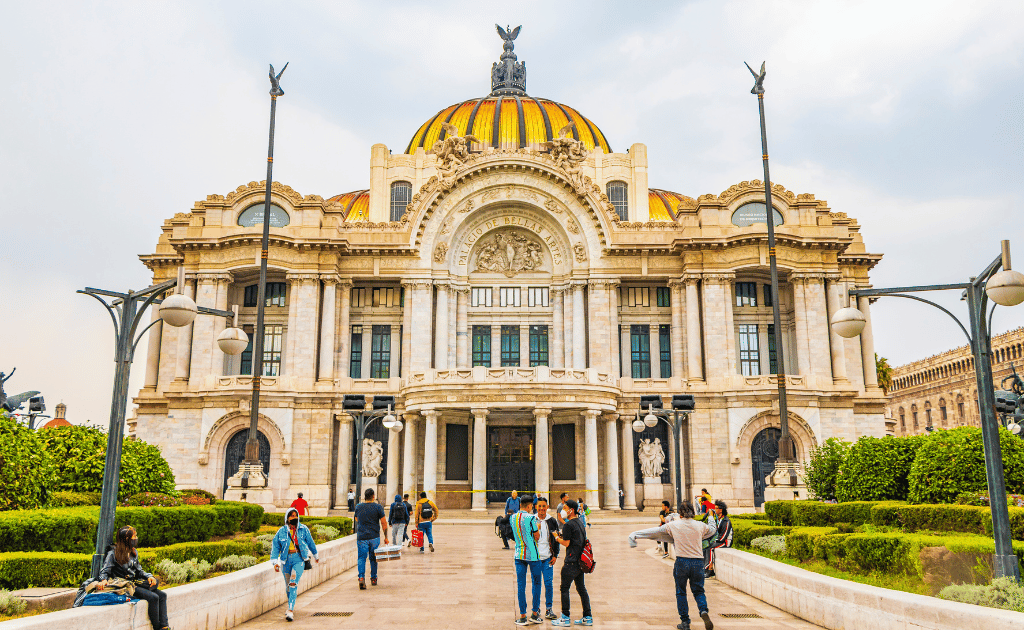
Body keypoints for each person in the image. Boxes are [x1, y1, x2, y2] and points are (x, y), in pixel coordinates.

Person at [627, 502, 717, 630]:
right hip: (697, 562)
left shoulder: (673, 525)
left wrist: (635, 534)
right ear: (693, 513)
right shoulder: (700, 526)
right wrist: (711, 517)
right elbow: (712, 530)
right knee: (698, 591)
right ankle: (703, 611)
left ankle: (685, 622)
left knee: (681, 592)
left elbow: (655, 531)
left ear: (680, 513)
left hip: (682, 562)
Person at [96, 526, 169, 630]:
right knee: (154, 597)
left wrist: (149, 576)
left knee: (162, 595)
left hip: (134, 583)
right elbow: (105, 570)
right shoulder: (113, 553)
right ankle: (157, 628)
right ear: (126, 539)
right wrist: (103, 580)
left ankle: (165, 627)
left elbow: (139, 570)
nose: (136, 538)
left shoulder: (133, 552)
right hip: (124, 586)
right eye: (134, 536)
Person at [270, 507, 320, 621]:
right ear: (287, 518)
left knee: (293, 583)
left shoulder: (303, 529)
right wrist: (274, 562)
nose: (294, 517)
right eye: (291, 515)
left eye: (295, 515)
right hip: (285, 560)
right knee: (288, 586)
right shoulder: (281, 531)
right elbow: (275, 546)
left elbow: (310, 542)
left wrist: (316, 555)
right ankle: (290, 604)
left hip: (299, 559)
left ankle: (290, 610)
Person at [551, 499, 592, 627]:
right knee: (581, 589)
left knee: (564, 588)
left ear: (571, 510)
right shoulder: (580, 523)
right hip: (580, 562)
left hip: (571, 562)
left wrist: (556, 538)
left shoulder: (568, 525)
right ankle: (587, 616)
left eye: (565, 508)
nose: (562, 510)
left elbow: (567, 543)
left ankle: (565, 617)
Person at [510, 494, 542, 625]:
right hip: (533, 555)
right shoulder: (531, 518)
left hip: (519, 555)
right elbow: (537, 536)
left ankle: (522, 615)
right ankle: (534, 613)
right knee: (536, 583)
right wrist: (538, 528)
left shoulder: (513, 517)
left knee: (521, 585)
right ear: (529, 506)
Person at [353, 487, 388, 589]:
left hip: (362, 536)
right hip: (374, 537)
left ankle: (361, 578)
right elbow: (383, 522)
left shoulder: (359, 507)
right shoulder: (378, 507)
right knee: (373, 558)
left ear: (364, 497)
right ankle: (373, 578)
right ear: (373, 496)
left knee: (361, 558)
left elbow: (356, 518)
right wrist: (386, 537)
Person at [535, 497, 560, 620]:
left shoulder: (552, 521)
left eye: (544, 506)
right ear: (536, 507)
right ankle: (536, 609)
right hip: (536, 559)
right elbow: (528, 539)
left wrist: (555, 555)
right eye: (539, 506)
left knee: (548, 584)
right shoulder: (532, 520)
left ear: (547, 506)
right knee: (536, 584)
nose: (541, 508)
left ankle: (549, 609)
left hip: (548, 558)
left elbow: (556, 539)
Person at [705, 500, 733, 578]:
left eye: (716, 508)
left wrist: (716, 541)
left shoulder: (726, 521)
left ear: (721, 510)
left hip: (726, 542)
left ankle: (710, 570)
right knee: (706, 546)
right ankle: (706, 567)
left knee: (710, 548)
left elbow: (724, 535)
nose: (715, 509)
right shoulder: (719, 519)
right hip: (720, 540)